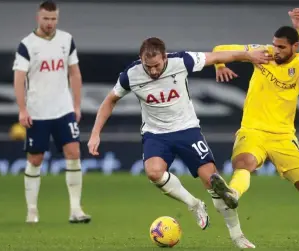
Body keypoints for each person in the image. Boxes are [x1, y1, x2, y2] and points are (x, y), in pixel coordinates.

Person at [88, 37, 270, 248]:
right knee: (153, 172)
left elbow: (217, 56)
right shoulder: (131, 75)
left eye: (157, 65)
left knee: (214, 182)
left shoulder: (181, 61)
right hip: (156, 134)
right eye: (149, 67)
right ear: (141, 60)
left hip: (187, 131)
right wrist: (95, 133)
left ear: (165, 57)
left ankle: (238, 236)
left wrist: (248, 55)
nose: (154, 71)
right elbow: (110, 100)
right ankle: (193, 204)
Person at [210, 8, 299, 248]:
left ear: (295, 47)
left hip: (284, 137)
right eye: (275, 45)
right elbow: (219, 50)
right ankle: (232, 194)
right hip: (252, 130)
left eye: (282, 47)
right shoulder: (262, 53)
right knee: (244, 162)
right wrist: (220, 66)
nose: (275, 50)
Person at [13, 1, 90, 224]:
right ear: (38, 18)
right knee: (36, 159)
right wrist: (22, 109)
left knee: (74, 153)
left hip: (63, 109)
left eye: (54, 18)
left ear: (58, 18)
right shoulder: (27, 45)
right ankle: (32, 211)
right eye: (46, 19)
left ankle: (76, 209)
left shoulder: (66, 40)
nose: (50, 23)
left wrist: (76, 105)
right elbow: (19, 78)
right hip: (37, 112)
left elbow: (74, 74)